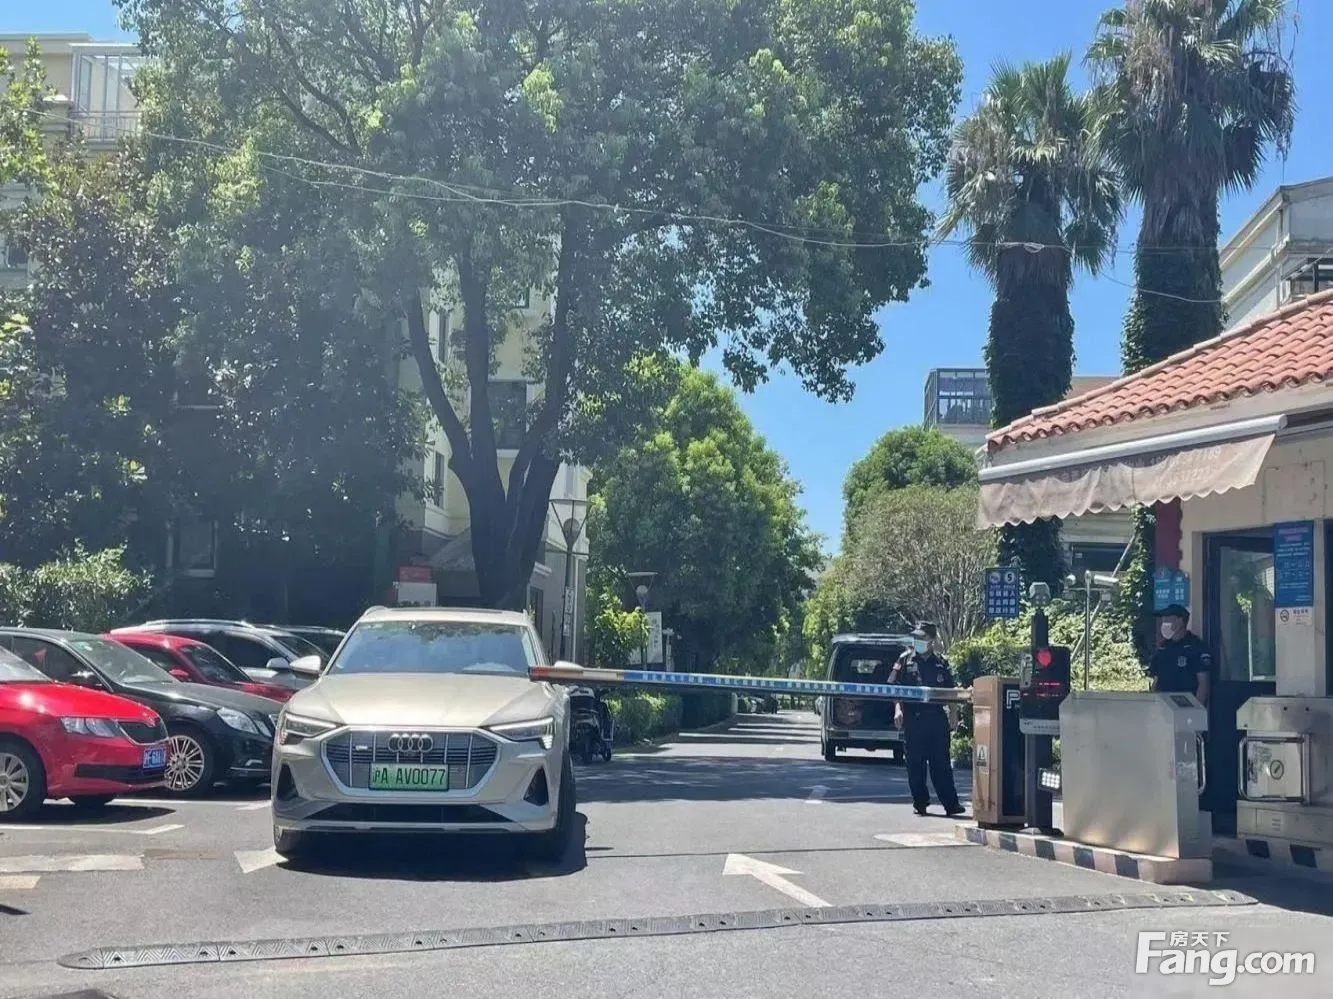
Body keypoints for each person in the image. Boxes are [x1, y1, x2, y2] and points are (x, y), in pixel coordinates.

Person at [889, 623, 965, 817]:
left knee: (941, 763)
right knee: (915, 764)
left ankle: (951, 804)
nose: (918, 641)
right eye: (916, 637)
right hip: (913, 719)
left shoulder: (941, 663)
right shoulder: (905, 660)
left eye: (922, 638)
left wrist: (954, 713)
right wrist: (898, 709)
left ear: (932, 640)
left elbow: (951, 691)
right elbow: (894, 688)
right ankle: (920, 803)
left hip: (936, 719)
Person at [1146, 603, 1213, 708]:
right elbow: (1156, 681)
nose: (1164, 622)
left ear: (1180, 621)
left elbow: (1204, 684)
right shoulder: (1163, 648)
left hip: (1187, 705)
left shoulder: (1196, 647)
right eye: (1163, 619)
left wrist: (1196, 710)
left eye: (1168, 618)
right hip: (1164, 707)